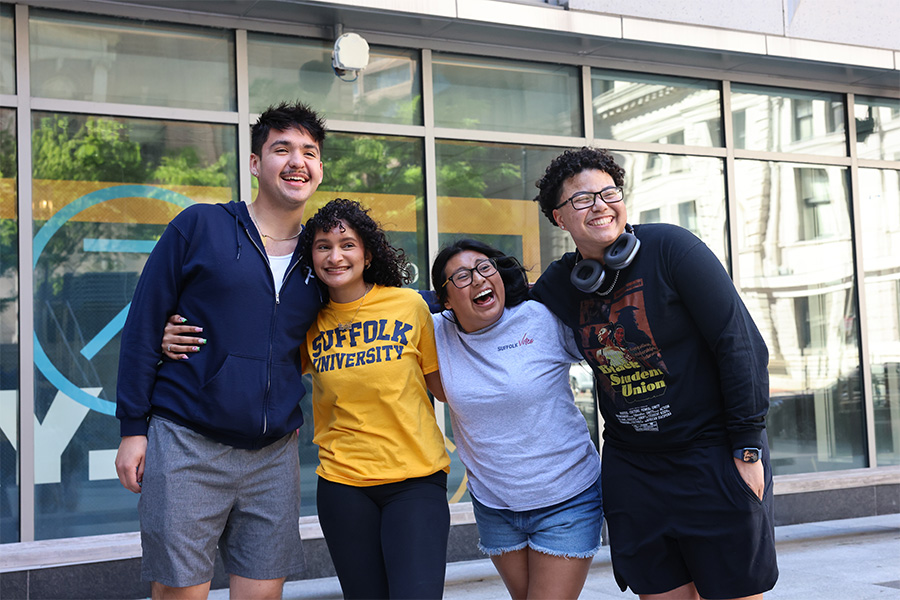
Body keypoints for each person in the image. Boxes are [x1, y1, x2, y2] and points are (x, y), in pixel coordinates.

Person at [531, 147, 778, 600]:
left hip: (711, 456)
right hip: (634, 472)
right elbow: (497, 302)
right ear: (559, 217)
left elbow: (740, 344)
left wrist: (747, 448)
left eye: (609, 193)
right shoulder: (561, 284)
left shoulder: (671, 248)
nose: (600, 205)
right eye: (582, 199)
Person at [114, 101, 326, 600]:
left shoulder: (322, 255)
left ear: (320, 168)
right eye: (282, 149)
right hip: (187, 442)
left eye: (309, 152)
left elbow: (371, 306)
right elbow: (144, 325)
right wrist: (132, 430)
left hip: (274, 455)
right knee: (181, 593)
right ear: (255, 163)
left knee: (263, 594)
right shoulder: (201, 226)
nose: (297, 161)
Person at [430, 239, 603, 600]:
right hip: (495, 506)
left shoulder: (540, 317)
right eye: (462, 276)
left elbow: (605, 349)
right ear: (445, 300)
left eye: (484, 268)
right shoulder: (435, 334)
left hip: (567, 496)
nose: (479, 279)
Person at [299, 198, 451, 599]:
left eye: (347, 244)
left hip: (415, 480)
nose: (335, 256)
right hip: (342, 485)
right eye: (323, 246)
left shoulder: (408, 305)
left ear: (367, 255)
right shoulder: (306, 321)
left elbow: (442, 387)